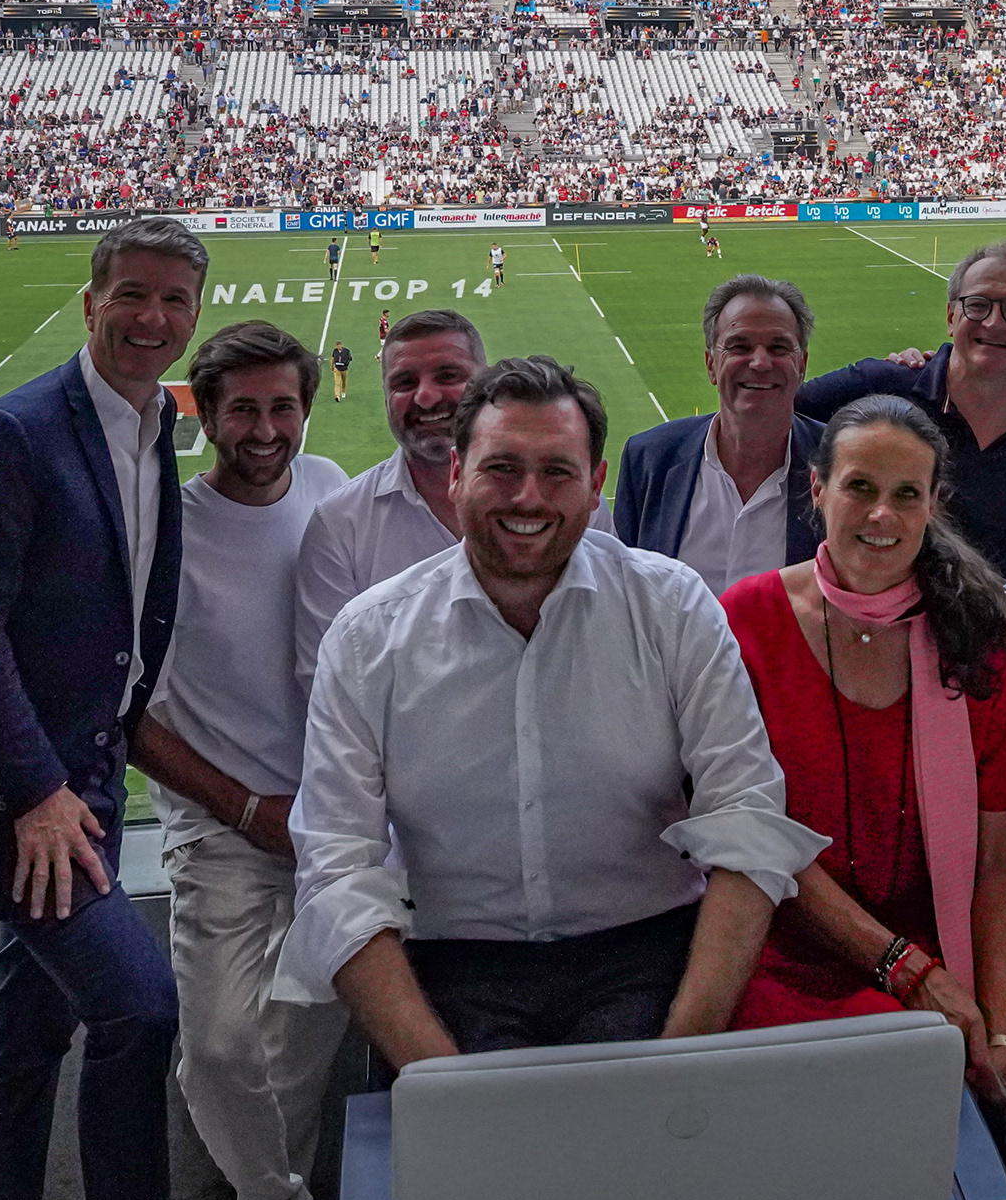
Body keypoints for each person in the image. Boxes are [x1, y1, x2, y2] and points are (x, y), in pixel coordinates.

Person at [279, 357, 821, 1055]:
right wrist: (442, 1082)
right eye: (502, 468)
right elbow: (336, 870)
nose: (529, 498)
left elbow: (746, 819)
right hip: (451, 963)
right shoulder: (366, 639)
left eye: (557, 472)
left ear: (597, 487)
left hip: (651, 955)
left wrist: (680, 1057)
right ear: (455, 474)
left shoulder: (672, 606)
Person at [0, 221, 220, 1200]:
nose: (152, 319)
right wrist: (35, 791)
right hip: (27, 796)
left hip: (84, 776)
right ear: (91, 297)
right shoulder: (19, 430)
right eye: (132, 296)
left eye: (173, 302)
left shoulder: (152, 423)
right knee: (139, 1008)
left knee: (32, 1020)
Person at [718, 399, 1006, 1105]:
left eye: (906, 495)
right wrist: (907, 970)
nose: (881, 516)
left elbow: (996, 862)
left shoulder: (985, 637)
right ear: (817, 489)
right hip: (776, 952)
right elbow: (756, 841)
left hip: (937, 951)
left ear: (935, 506)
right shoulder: (745, 621)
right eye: (859, 487)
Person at [133, 322, 351, 1200]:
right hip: (221, 827)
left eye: (282, 408)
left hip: (333, 821)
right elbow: (130, 713)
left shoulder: (333, 490)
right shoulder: (164, 532)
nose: (265, 430)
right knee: (220, 1047)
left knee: (302, 1036)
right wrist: (246, 808)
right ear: (205, 412)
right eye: (244, 410)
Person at [797, 242, 1006, 574]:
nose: (995, 323)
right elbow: (776, 416)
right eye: (978, 305)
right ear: (952, 317)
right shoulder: (880, 385)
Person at [290, 310, 486, 688]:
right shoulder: (341, 526)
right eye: (404, 382)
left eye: (448, 376)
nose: (426, 396)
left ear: (487, 381)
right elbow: (330, 690)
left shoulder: (556, 502)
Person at [615, 276, 827, 587]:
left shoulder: (840, 463)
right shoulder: (649, 459)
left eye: (778, 347)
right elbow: (620, 589)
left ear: (802, 365)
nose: (759, 362)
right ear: (711, 364)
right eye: (739, 346)